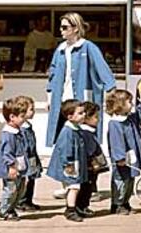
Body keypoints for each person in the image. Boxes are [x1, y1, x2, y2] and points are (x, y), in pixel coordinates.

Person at [46, 12, 116, 148]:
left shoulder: (88, 47)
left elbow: (104, 71)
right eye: (61, 27)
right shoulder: (60, 49)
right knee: (63, 137)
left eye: (65, 27)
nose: (61, 30)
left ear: (75, 28)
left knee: (85, 136)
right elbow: (52, 75)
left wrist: (110, 94)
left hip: (81, 99)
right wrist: (50, 97)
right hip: (62, 100)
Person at [106, 89, 141, 215]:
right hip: (123, 158)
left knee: (130, 180)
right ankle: (117, 204)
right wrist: (119, 157)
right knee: (121, 180)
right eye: (129, 102)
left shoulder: (129, 119)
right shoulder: (115, 123)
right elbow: (116, 142)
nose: (132, 104)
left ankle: (125, 202)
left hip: (131, 156)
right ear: (120, 104)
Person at [47, 99, 87, 222]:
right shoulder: (68, 132)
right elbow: (65, 149)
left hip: (75, 163)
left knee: (73, 186)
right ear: (70, 117)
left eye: (83, 112)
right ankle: (70, 210)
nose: (84, 115)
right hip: (70, 165)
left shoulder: (76, 128)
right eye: (80, 113)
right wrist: (68, 164)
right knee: (74, 187)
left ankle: (73, 206)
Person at [0, 97, 28, 221]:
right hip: (11, 168)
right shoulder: (8, 134)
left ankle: (11, 208)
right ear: (12, 117)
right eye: (22, 116)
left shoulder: (18, 131)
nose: (24, 119)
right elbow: (7, 153)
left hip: (19, 165)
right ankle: (4, 211)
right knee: (10, 190)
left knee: (19, 190)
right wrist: (11, 166)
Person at [76, 101, 107, 217]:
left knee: (89, 187)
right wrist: (94, 162)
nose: (97, 120)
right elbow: (89, 151)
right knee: (85, 188)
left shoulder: (90, 132)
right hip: (88, 167)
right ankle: (81, 207)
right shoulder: (85, 133)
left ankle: (84, 206)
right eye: (95, 117)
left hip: (91, 167)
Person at [15, 96, 42, 211]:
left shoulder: (28, 126)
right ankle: (21, 202)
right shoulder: (20, 129)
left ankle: (28, 201)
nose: (33, 112)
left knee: (31, 180)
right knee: (24, 181)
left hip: (32, 158)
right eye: (31, 109)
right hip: (25, 159)